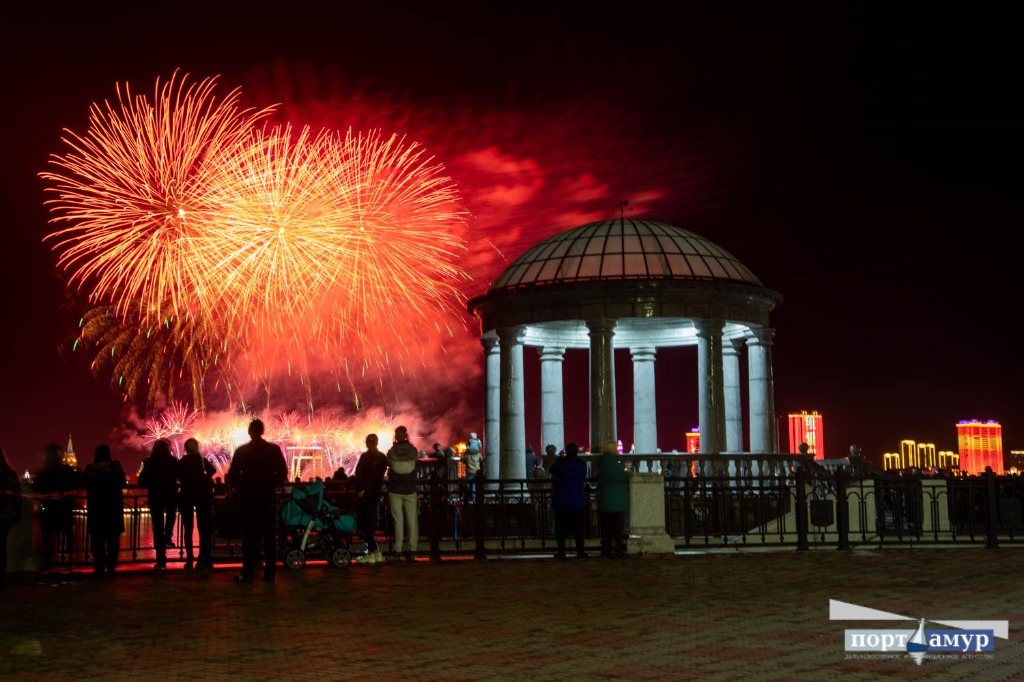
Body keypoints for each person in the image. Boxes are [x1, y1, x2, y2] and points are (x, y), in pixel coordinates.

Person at [226, 419, 288, 583]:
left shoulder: (242, 451)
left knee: (249, 538)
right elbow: (282, 473)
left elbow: (232, 475)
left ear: (249, 432)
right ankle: (269, 572)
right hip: (267, 497)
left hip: (248, 498)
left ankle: (247, 572)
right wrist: (270, 483)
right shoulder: (273, 450)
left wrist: (243, 487)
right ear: (262, 431)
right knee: (269, 537)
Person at [34, 443, 81, 572]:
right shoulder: (67, 471)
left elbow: (37, 489)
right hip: (65, 510)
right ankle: (69, 564)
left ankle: (48, 565)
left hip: (49, 511)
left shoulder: (44, 474)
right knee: (68, 537)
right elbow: (77, 482)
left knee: (48, 540)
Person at [83, 444, 126, 575]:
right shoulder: (115, 467)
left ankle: (99, 567)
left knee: (97, 541)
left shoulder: (90, 469)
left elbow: (84, 483)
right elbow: (122, 482)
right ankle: (112, 567)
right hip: (114, 509)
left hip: (96, 510)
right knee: (113, 541)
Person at [137, 438, 179, 570]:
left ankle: (161, 560)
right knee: (171, 515)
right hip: (171, 495)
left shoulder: (149, 462)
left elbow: (141, 480)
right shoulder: (173, 461)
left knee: (157, 526)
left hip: (155, 496)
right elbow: (179, 476)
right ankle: (168, 537)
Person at [178, 437, 216, 571]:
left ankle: (189, 559)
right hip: (202, 496)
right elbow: (213, 471)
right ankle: (204, 558)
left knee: (187, 529)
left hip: (186, 496)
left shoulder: (182, 462)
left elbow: (178, 476)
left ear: (186, 449)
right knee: (204, 529)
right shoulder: (202, 461)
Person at [549, 441, 588, 559]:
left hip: (562, 500)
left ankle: (562, 552)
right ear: (577, 452)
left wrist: (559, 459)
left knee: (560, 529)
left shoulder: (560, 465)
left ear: (566, 452)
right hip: (577, 500)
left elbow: (552, 470)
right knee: (578, 529)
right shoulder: (582, 465)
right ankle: (580, 552)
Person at [386, 425, 419, 563]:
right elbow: (415, 465)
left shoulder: (392, 452)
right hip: (410, 489)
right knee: (412, 521)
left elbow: (389, 465)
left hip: (395, 490)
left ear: (396, 436)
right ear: (406, 435)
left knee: (398, 521)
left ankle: (398, 550)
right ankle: (412, 549)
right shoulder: (413, 451)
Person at [354, 433, 388, 564]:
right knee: (369, 520)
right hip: (376, 492)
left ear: (367, 443)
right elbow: (381, 475)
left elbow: (359, 473)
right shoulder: (383, 457)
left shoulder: (364, 457)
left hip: (365, 493)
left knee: (364, 522)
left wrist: (361, 489)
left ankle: (373, 550)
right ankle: (374, 551)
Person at [596, 439, 630, 558]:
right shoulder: (615, 461)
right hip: (618, 500)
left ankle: (606, 550)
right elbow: (618, 476)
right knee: (618, 528)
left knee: (607, 528)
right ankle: (618, 551)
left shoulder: (603, 461)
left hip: (606, 499)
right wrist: (628, 474)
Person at [0, 447, 23, 591]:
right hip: (5, 516)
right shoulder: (10, 474)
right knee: (1, 547)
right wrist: (16, 514)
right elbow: (17, 497)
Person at [462, 432, 483, 502]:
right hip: (476, 471)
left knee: (467, 484)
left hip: (469, 470)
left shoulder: (467, 454)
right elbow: (481, 460)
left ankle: (467, 497)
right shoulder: (478, 454)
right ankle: (474, 498)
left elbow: (461, 460)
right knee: (474, 485)